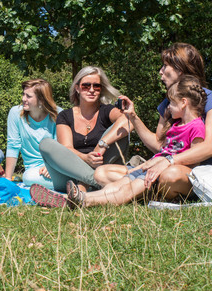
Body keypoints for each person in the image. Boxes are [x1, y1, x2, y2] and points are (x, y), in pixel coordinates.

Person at [32, 75, 206, 208]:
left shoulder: (196, 127)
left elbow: (193, 162)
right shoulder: (176, 126)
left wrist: (163, 164)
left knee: (126, 190)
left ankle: (84, 200)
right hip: (150, 169)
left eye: (172, 104)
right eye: (86, 85)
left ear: (183, 103)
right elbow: (164, 151)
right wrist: (142, 166)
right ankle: (69, 198)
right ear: (77, 88)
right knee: (119, 184)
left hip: (162, 172)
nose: (168, 108)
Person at [96, 43, 212, 198]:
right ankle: (142, 189)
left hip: (192, 171)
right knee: (101, 173)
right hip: (164, 164)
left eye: (165, 66)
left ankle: (135, 190)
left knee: (170, 175)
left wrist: (170, 161)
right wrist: (133, 117)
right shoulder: (167, 105)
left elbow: (209, 147)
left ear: (180, 69)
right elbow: (159, 145)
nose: (160, 72)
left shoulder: (208, 99)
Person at [34, 66, 131, 198]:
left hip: (103, 170)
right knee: (46, 144)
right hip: (70, 176)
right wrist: (86, 158)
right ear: (77, 88)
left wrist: (102, 144)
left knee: (120, 128)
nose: (91, 90)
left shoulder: (107, 111)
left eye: (96, 86)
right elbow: (66, 148)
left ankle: (82, 190)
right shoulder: (65, 116)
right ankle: (92, 185)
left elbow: (128, 120)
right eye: (86, 86)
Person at [5, 79, 62, 188]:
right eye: (23, 94)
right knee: (29, 177)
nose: (23, 99)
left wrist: (51, 167)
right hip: (34, 171)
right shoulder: (15, 113)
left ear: (41, 100)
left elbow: (62, 147)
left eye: (28, 96)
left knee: (29, 178)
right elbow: (13, 146)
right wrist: (8, 179)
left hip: (57, 167)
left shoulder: (58, 114)